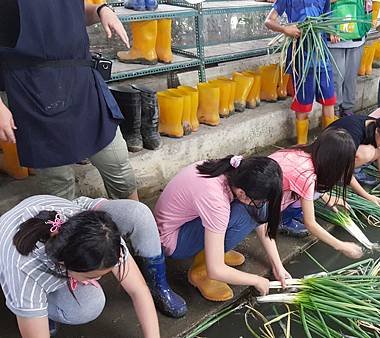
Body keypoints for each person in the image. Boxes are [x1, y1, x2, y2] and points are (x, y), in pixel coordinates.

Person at [0, 0, 139, 200]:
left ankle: (135, 226)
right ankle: (67, 228)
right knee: (58, 184)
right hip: (33, 94)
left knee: (118, 165)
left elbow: (73, 13)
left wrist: (101, 10)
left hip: (82, 84)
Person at [0, 195, 160, 337]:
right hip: (12, 247)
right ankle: (43, 312)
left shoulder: (103, 235)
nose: (99, 279)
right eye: (92, 275)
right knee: (85, 307)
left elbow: (139, 290)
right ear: (63, 263)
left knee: (90, 300)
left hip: (38, 214)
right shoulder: (25, 272)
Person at [154, 156, 289, 302]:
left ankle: (215, 250)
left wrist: (278, 266)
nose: (261, 203)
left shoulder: (238, 170)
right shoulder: (216, 200)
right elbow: (216, 270)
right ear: (242, 193)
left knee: (258, 210)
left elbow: (261, 220)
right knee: (247, 214)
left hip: (182, 223)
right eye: (259, 200)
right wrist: (256, 280)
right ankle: (201, 272)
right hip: (172, 241)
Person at [269, 128, 364, 258]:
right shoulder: (307, 176)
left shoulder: (302, 150)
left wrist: (327, 197)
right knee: (309, 195)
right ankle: (282, 220)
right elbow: (311, 224)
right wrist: (341, 246)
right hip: (261, 202)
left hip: (265, 188)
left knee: (313, 193)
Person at [265, 0, 337, 145]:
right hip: (301, 59)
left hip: (321, 56)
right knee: (302, 103)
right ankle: (302, 144)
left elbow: (326, 19)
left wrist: (332, 31)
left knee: (328, 100)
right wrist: (285, 29)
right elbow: (269, 21)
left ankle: (328, 143)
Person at [329, 111, 380, 204]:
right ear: (377, 131)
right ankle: (334, 175)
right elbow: (345, 169)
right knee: (367, 153)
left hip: (344, 157)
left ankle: (352, 171)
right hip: (328, 158)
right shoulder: (354, 132)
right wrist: (368, 197)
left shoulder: (379, 127)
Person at [329, 0, 371, 117]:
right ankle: (335, 109)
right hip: (334, 37)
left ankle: (348, 108)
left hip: (356, 37)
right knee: (336, 76)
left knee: (351, 76)